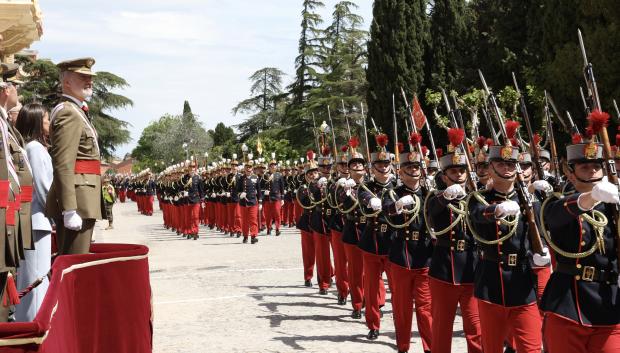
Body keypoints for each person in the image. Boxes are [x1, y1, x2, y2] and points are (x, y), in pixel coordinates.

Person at [541, 135, 620, 353]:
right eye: (584, 167)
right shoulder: (558, 202)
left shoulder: (614, 207)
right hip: (568, 305)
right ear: (569, 171)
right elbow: (555, 217)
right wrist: (591, 197)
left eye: (597, 166)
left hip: (609, 304)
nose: (592, 171)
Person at [46, 57, 105, 255]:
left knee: (80, 266)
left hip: (84, 199)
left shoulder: (76, 111)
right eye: (82, 77)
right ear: (66, 82)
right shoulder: (68, 113)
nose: (89, 81)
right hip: (78, 202)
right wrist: (69, 209)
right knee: (75, 266)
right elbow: (63, 164)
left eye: (90, 77)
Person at [14, 103, 53, 322]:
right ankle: (32, 324)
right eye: (46, 119)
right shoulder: (35, 148)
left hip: (38, 220)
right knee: (36, 278)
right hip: (38, 220)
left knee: (36, 276)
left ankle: (32, 321)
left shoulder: (35, 147)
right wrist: (58, 212)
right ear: (37, 122)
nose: (49, 123)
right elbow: (42, 186)